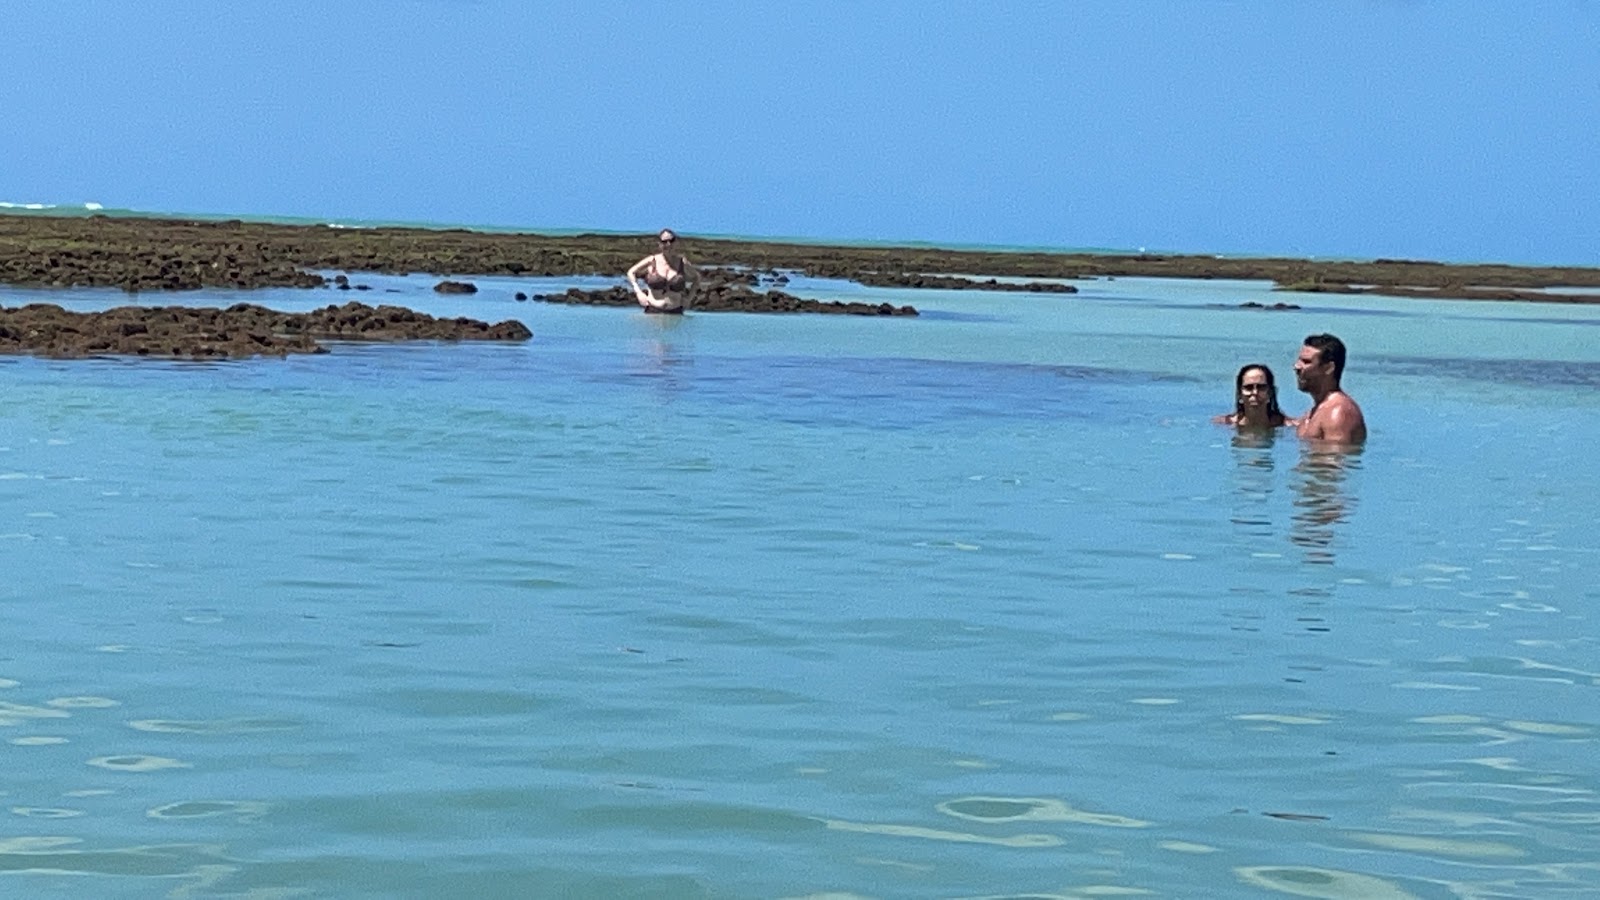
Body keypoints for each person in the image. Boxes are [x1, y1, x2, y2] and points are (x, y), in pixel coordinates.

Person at [1292, 333, 1367, 443]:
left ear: (1329, 368)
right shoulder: (1314, 412)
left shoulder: (1337, 413)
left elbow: (1337, 458)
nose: (1297, 366)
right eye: (1299, 360)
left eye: (1306, 362)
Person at [626, 229, 700, 314]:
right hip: (652, 313)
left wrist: (689, 298)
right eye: (664, 242)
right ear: (659, 244)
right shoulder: (652, 260)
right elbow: (631, 272)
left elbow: (697, 278)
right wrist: (639, 292)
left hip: (676, 314)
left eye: (671, 241)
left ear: (676, 242)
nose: (668, 244)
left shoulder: (682, 263)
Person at [1213, 363, 1290, 429]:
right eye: (1248, 387)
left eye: (1261, 387)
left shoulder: (1289, 425)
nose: (1255, 392)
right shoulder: (1223, 424)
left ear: (1270, 392)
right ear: (1240, 393)